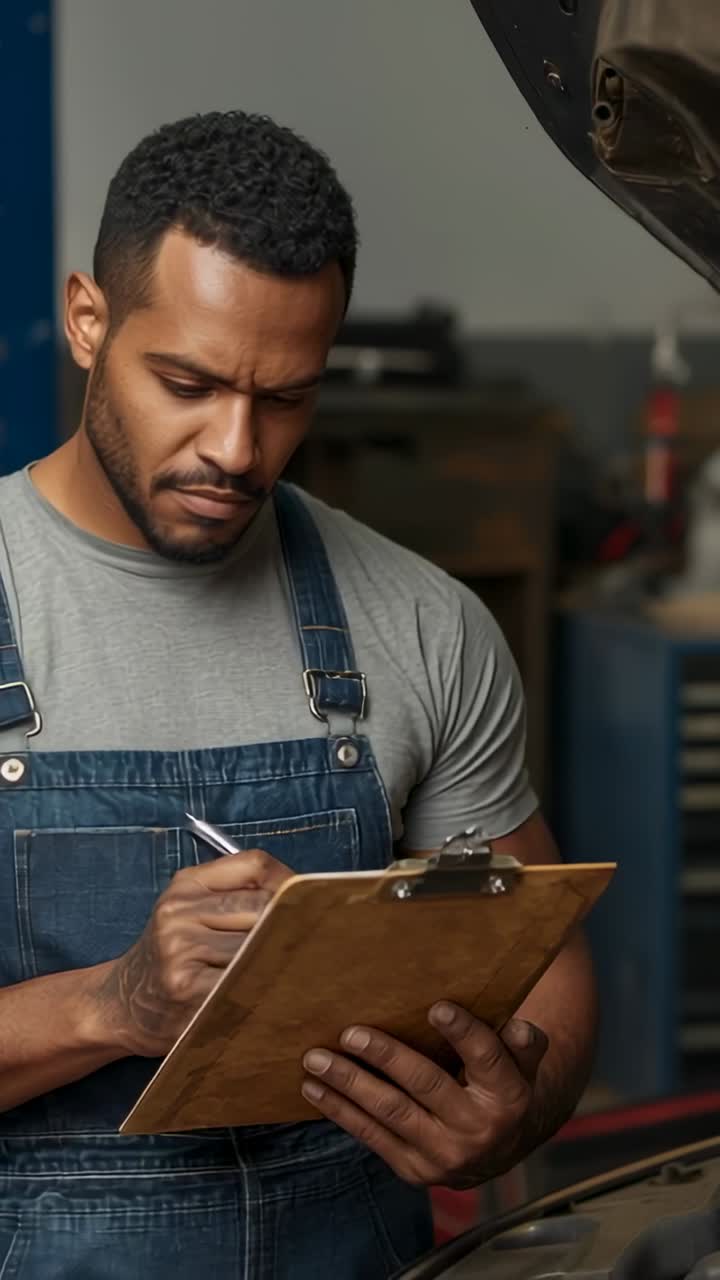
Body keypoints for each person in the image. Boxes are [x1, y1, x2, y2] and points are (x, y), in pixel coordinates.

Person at [0, 109, 596, 1279]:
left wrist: (511, 1109)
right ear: (86, 320)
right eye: (188, 381)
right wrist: (110, 1004)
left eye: (285, 399)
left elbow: (546, 960)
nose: (237, 446)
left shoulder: (421, 622)